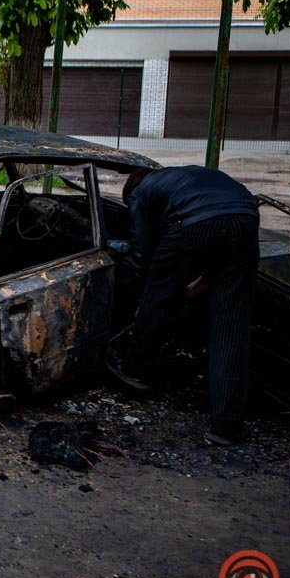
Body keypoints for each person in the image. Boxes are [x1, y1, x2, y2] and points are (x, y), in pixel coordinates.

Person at [106, 165, 260, 446]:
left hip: (194, 223)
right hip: (245, 216)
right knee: (230, 323)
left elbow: (142, 250)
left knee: (156, 299)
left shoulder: (139, 193)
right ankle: (227, 426)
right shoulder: (179, 177)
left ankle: (136, 372)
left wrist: (144, 288)